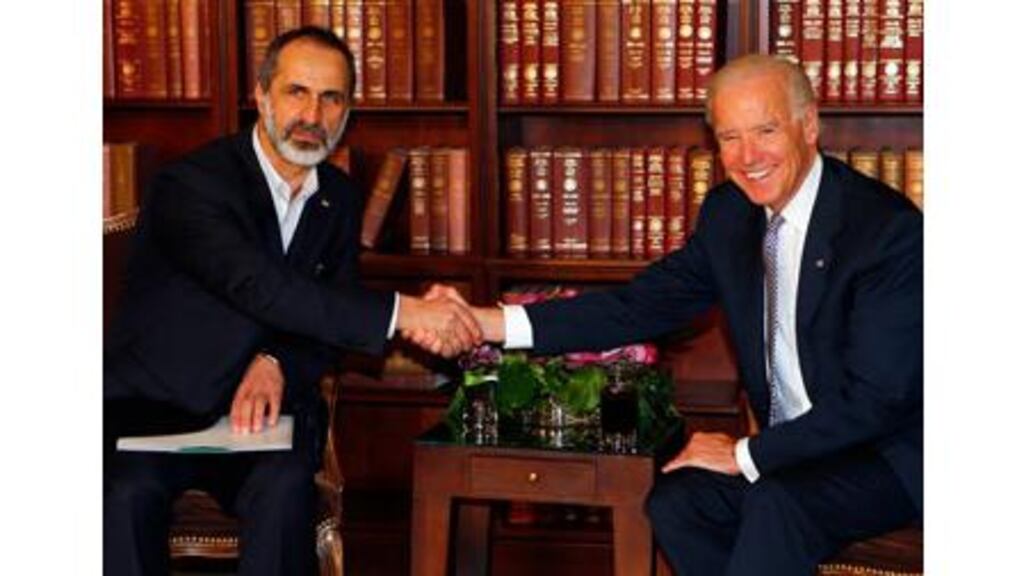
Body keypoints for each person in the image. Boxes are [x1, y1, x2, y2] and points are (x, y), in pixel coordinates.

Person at [423, 54, 922, 575]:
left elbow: (876, 402)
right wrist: (489, 323)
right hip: (790, 455)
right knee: (677, 503)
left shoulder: (885, 231)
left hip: (883, 456)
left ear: (809, 123)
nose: (748, 155)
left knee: (778, 505)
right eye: (729, 137)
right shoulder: (730, 214)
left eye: (766, 130)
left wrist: (745, 453)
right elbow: (637, 306)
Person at [103, 27, 480, 576]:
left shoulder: (340, 198)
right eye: (297, 92)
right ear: (261, 96)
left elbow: (328, 321)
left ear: (348, 111)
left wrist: (277, 361)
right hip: (155, 413)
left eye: (332, 98)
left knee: (285, 493)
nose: (313, 114)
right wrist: (407, 312)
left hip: (266, 423)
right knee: (124, 499)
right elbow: (258, 285)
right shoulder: (192, 185)